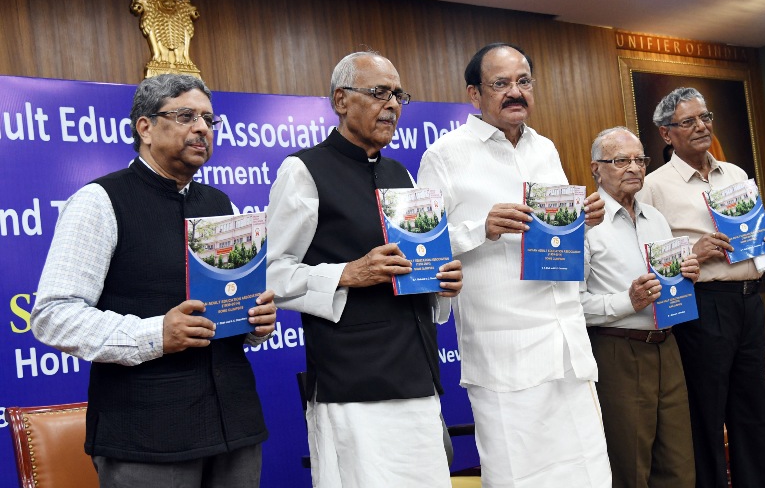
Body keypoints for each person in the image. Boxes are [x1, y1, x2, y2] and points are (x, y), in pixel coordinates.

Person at [31, 74, 277, 487]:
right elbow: (53, 315)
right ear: (145, 127)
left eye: (208, 119)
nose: (202, 128)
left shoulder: (222, 204)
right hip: (146, 438)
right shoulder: (99, 202)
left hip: (234, 430)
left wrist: (255, 322)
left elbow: (231, 307)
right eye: (186, 116)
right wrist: (156, 333)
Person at [417, 42, 611, 487]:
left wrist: (583, 223)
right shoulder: (444, 156)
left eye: (523, 82)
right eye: (500, 83)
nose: (514, 92)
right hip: (505, 355)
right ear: (474, 95)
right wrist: (478, 228)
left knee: (588, 472)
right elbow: (420, 250)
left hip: (567, 347)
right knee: (520, 476)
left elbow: (558, 240)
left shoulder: (545, 148)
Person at [266, 51, 463, 488]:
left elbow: (415, 270)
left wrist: (443, 283)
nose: (392, 104)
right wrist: (347, 273)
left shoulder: (401, 175)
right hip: (353, 382)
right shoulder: (303, 171)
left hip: (419, 371)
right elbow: (271, 275)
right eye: (379, 93)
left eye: (398, 95)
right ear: (341, 100)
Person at [638, 87, 765, 488]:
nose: (701, 126)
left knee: (751, 411)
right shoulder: (654, 187)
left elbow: (752, 235)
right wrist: (693, 251)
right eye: (688, 121)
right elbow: (645, 256)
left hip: (750, 301)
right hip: (703, 305)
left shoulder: (735, 174)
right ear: (666, 134)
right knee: (706, 413)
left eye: (705, 117)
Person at [581, 126, 699, 487]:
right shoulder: (584, 226)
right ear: (595, 168)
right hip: (618, 350)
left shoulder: (657, 219)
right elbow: (572, 305)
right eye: (620, 160)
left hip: (669, 346)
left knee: (680, 466)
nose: (633, 168)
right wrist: (626, 301)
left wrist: (687, 274)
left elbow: (671, 281)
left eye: (639, 159)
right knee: (630, 466)